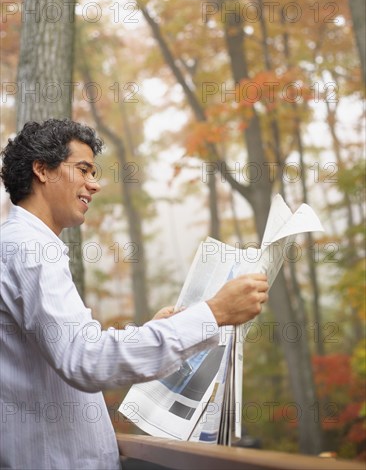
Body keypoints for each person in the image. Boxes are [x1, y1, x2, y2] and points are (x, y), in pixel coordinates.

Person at [0, 119, 269, 470]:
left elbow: (76, 347)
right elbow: (86, 359)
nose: (94, 185)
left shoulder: (23, 245)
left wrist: (151, 330)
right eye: (83, 170)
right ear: (42, 170)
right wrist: (213, 313)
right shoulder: (28, 249)